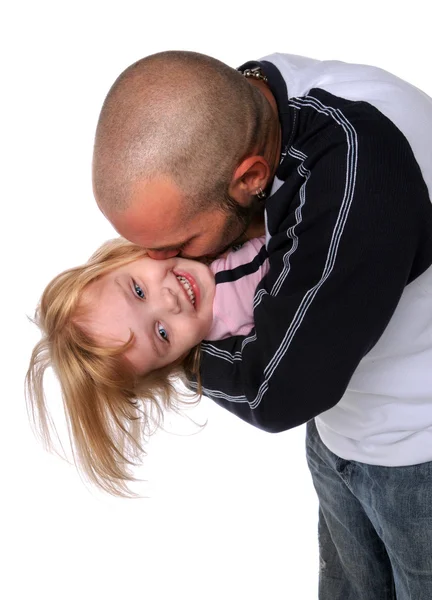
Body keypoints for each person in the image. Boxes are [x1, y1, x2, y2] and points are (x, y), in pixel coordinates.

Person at [91, 50, 432, 598]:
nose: (167, 268)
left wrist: (163, 349)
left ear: (249, 177)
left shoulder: (354, 169)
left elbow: (274, 391)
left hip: (417, 462)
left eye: (178, 245)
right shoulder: (249, 104)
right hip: (343, 438)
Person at [26, 235, 268, 497]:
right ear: (175, 359)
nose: (169, 301)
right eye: (162, 333)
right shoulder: (234, 295)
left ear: (119, 259)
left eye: (138, 291)